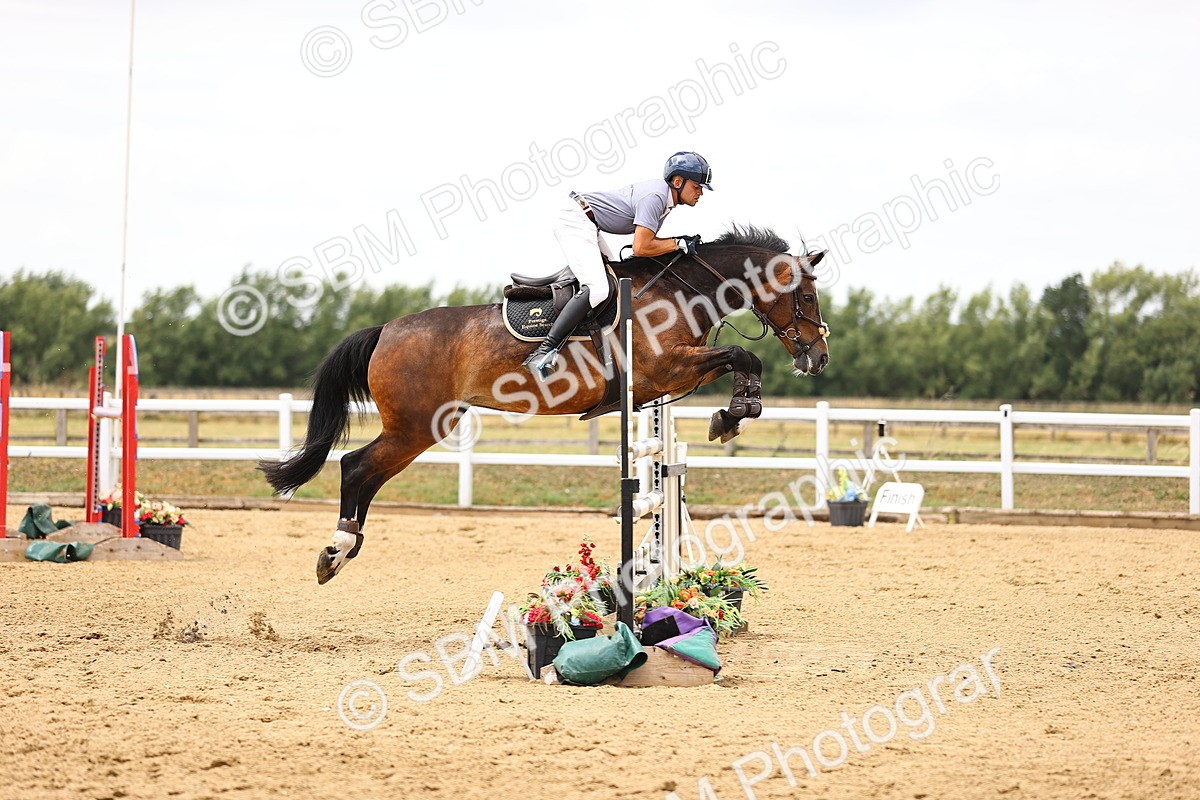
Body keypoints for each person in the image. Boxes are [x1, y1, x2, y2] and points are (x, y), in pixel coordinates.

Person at [522, 151, 714, 379]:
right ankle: (544, 351)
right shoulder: (655, 197)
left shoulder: (665, 201)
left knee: (615, 278)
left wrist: (677, 244)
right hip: (576, 219)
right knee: (598, 289)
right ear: (678, 181)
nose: (701, 192)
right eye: (697, 186)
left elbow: (648, 247)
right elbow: (641, 248)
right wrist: (678, 243)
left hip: (589, 223)